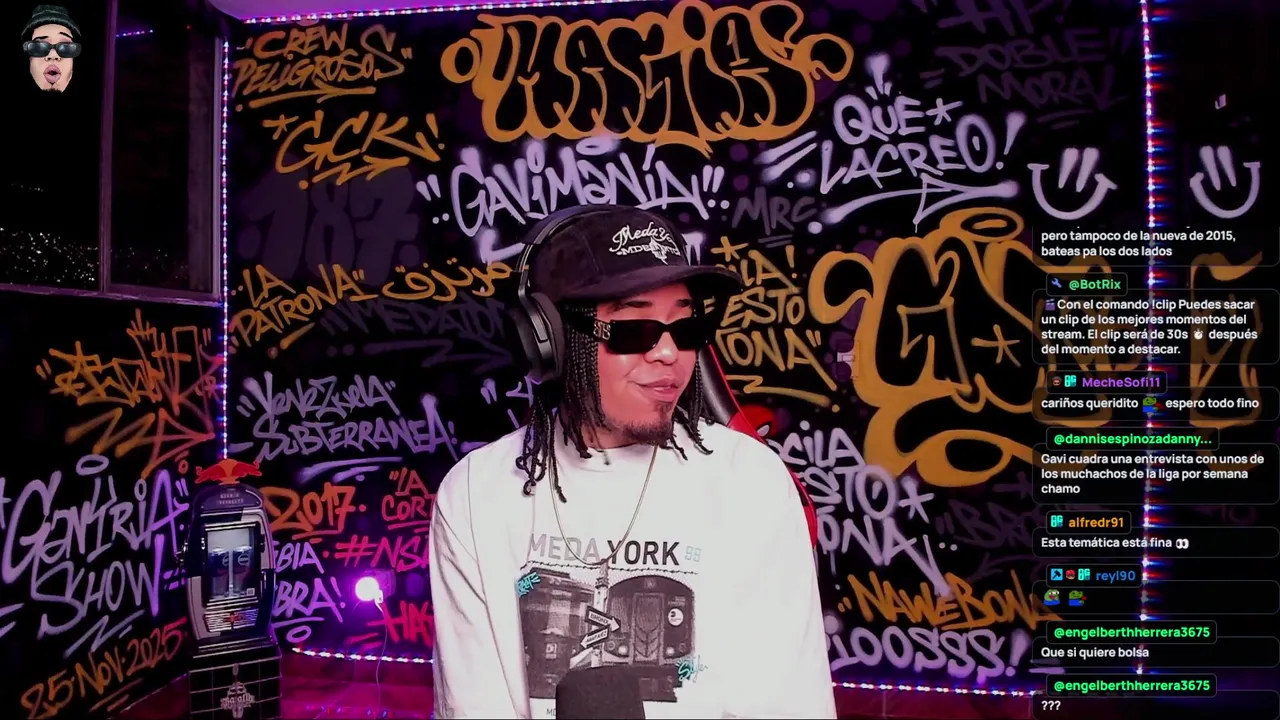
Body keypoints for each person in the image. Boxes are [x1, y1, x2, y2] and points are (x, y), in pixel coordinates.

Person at [429, 205, 836, 719]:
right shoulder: (475, 495)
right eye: (633, 330)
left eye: (686, 327)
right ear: (550, 341)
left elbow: (793, 705)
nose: (668, 353)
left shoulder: (752, 484)